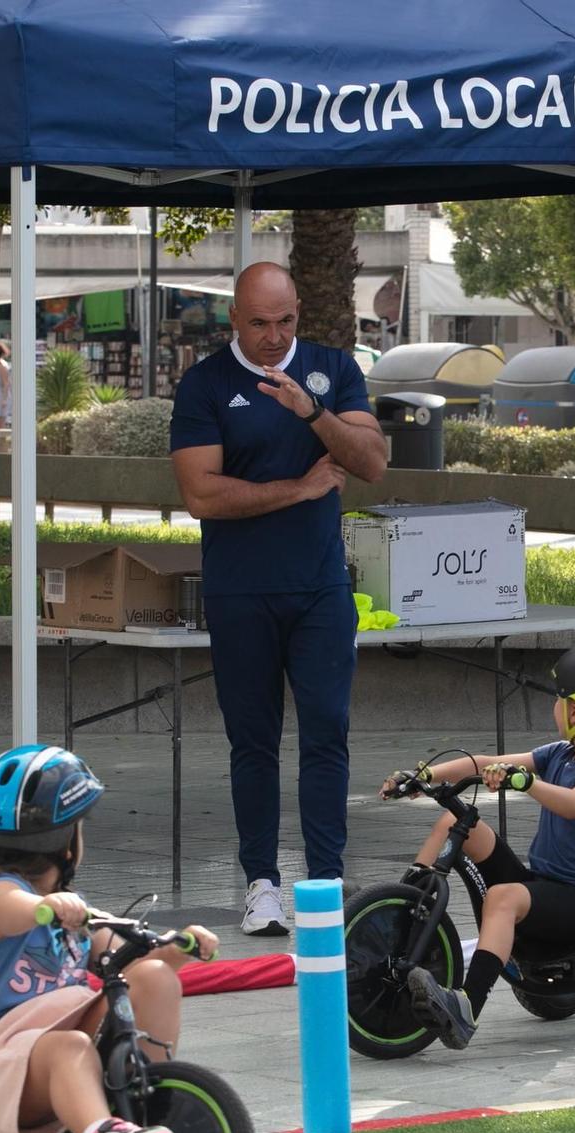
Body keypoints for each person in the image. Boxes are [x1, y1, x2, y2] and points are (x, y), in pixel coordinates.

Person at [168, 262, 388, 936]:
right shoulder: (206, 384)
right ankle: (260, 883)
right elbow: (201, 493)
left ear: (298, 312)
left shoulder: (332, 369)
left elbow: (373, 462)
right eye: (259, 323)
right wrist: (298, 488)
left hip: (320, 590)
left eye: (285, 320)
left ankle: (325, 881)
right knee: (253, 743)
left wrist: (312, 412)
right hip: (240, 591)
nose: (273, 336)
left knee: (327, 733)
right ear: (233, 317)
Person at [0, 744, 218, 1133]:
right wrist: (45, 906)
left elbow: (135, 963)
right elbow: (11, 909)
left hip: (55, 1045)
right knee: (69, 1047)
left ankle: (148, 1105)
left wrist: (180, 947)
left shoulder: (76, 919)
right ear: (65, 840)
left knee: (151, 978)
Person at [394, 644, 575, 1050]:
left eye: (560, 699)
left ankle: (466, 1009)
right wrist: (420, 775)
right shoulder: (559, 754)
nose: (556, 707)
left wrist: (527, 783)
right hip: (542, 886)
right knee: (455, 821)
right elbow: (480, 762)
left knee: (502, 897)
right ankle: (400, 911)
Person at [0, 341, 14, 432]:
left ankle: (2, 444)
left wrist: (4, 399)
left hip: (1, 396)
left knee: (0, 422)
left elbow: (6, 384)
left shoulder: (2, 367)